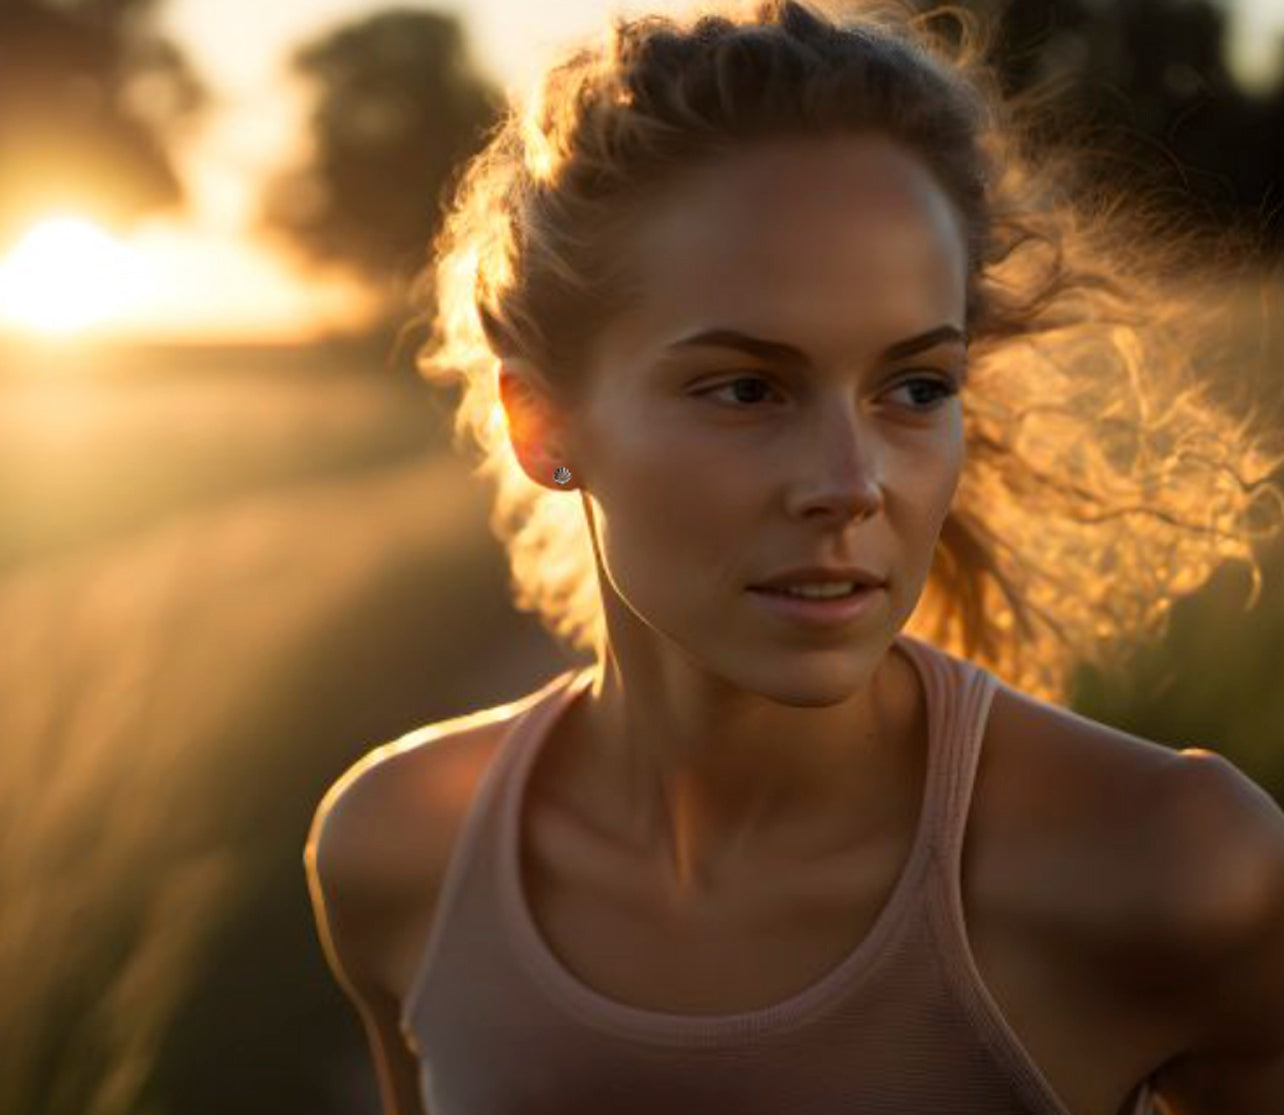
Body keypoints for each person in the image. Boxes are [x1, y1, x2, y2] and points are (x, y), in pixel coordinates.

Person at [303, 2, 1284, 1113]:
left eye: (916, 388)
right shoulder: (394, 853)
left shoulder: (1176, 868)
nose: (851, 481)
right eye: (747, 388)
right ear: (542, 423)